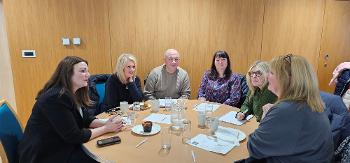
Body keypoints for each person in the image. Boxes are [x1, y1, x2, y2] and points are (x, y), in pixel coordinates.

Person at [18, 56, 123, 163]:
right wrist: (106, 128)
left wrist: (106, 123)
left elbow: (86, 119)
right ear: (68, 74)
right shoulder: (56, 97)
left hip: (60, 144)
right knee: (103, 159)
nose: (88, 74)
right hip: (45, 154)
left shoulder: (72, 93)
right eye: (83, 71)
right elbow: (75, 136)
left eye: (87, 70)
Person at [247, 54, 333, 162]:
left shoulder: (285, 110)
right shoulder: (308, 105)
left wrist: (267, 117)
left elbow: (254, 147)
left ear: (287, 79)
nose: (267, 76)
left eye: (271, 73)